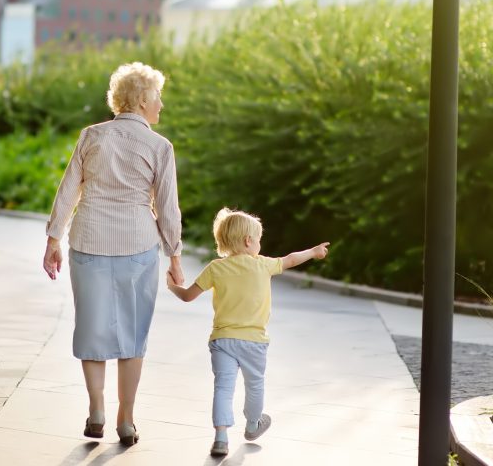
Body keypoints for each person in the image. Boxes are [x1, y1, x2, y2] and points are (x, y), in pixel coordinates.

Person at [42, 62, 185, 447]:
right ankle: (126, 419)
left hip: (88, 242)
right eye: (157, 97)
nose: (161, 105)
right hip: (138, 248)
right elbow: (168, 210)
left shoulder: (92, 136)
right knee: (132, 334)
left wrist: (54, 239)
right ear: (142, 100)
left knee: (92, 327)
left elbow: (68, 189)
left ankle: (96, 410)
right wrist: (174, 256)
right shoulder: (160, 147)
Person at [166, 208, 329, 457]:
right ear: (248, 241)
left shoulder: (215, 268)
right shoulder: (263, 265)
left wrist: (172, 286)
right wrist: (314, 252)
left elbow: (188, 296)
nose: (260, 245)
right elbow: (292, 259)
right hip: (254, 341)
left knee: (223, 387)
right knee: (255, 385)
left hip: (223, 340)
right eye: (259, 239)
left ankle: (221, 437)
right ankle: (253, 424)